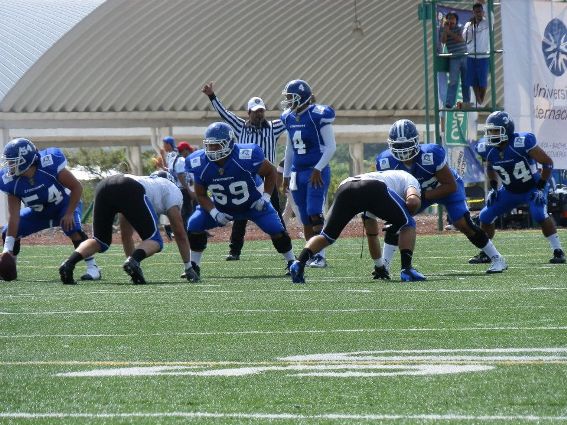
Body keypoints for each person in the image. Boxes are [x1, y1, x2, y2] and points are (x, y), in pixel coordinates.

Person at [376, 119, 507, 273]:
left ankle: (498, 258)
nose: (403, 150)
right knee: (396, 220)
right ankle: (384, 266)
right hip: (418, 193)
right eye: (398, 146)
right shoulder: (385, 161)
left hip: (444, 188)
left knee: (462, 223)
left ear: (417, 142)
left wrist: (420, 196)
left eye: (406, 145)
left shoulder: (431, 154)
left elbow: (450, 186)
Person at [185, 122, 295, 279]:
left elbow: (270, 172)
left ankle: (292, 261)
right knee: (194, 224)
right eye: (210, 146)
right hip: (222, 206)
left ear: (229, 142)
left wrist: (265, 198)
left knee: (276, 229)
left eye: (217, 145)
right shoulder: (199, 162)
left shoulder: (246, 155)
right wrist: (215, 213)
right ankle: (194, 265)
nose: (212, 150)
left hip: (252, 204)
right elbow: (201, 194)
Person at [59, 172, 199, 284]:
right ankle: (133, 262)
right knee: (155, 240)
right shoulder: (172, 189)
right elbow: (180, 232)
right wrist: (188, 266)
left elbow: (126, 235)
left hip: (105, 185)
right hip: (128, 188)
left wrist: (133, 271)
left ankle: (68, 264)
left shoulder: (147, 183)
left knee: (100, 240)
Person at [289, 170, 425, 284]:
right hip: (373, 187)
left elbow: (372, 234)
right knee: (409, 223)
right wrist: (399, 222)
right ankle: (407, 270)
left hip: (346, 186)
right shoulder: (410, 179)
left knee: (326, 236)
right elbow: (412, 201)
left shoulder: (386, 180)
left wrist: (380, 267)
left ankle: (299, 263)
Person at [202, 82, 286, 261]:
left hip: (267, 176)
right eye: (255, 111)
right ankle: (235, 250)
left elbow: (289, 119)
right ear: (249, 113)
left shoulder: (274, 127)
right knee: (241, 215)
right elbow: (224, 114)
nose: (259, 114)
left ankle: (285, 247)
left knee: (275, 212)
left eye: (261, 110)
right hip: (247, 176)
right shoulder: (240, 126)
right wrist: (212, 96)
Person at [0, 138, 100, 281]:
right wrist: (6, 251)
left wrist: (69, 212)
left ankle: (93, 268)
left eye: (13, 161)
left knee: (72, 229)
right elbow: (14, 216)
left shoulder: (49, 165)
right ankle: (10, 267)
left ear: (26, 160)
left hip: (63, 205)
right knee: (8, 232)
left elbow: (77, 187)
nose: (9, 165)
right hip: (39, 212)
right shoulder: (11, 181)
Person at [474, 110, 565, 264]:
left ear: (507, 130)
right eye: (490, 131)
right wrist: (494, 187)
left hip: (532, 188)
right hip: (509, 190)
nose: (491, 135)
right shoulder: (487, 148)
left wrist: (541, 187)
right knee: (485, 216)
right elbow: (490, 167)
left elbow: (548, 163)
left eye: (496, 131)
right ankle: (486, 253)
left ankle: (558, 251)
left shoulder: (521, 142)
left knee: (539, 214)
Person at [281, 79, 337, 268]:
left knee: (315, 212)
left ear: (302, 97)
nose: (288, 101)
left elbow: (331, 147)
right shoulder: (288, 117)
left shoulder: (317, 115)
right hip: (298, 171)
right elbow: (289, 150)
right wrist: (286, 175)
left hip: (316, 171)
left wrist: (318, 168)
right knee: (304, 217)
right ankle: (311, 255)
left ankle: (320, 256)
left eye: (291, 97)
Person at [462, 2, 491, 107]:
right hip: (471, 56)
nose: (478, 14)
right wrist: (470, 26)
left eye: (480, 12)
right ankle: (478, 100)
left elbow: (490, 14)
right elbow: (465, 38)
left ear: (483, 12)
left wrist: (485, 3)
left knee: (482, 81)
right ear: (473, 12)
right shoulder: (468, 24)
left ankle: (481, 100)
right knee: (473, 80)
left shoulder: (487, 23)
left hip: (483, 56)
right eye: (476, 12)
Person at [440, 11, 470, 109]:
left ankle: (466, 102)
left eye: (453, 19)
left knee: (466, 81)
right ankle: (449, 103)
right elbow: (443, 41)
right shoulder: (444, 29)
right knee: (453, 81)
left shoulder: (460, 28)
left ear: (456, 20)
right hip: (454, 58)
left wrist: (449, 32)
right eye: (449, 18)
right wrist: (445, 31)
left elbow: (460, 39)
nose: (451, 21)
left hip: (464, 56)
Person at [170, 141, 196, 226]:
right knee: (187, 212)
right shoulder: (181, 160)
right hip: (183, 190)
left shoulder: (178, 159)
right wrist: (189, 190)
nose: (189, 153)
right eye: (188, 151)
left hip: (182, 189)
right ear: (185, 150)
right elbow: (180, 176)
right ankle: (187, 232)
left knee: (188, 211)